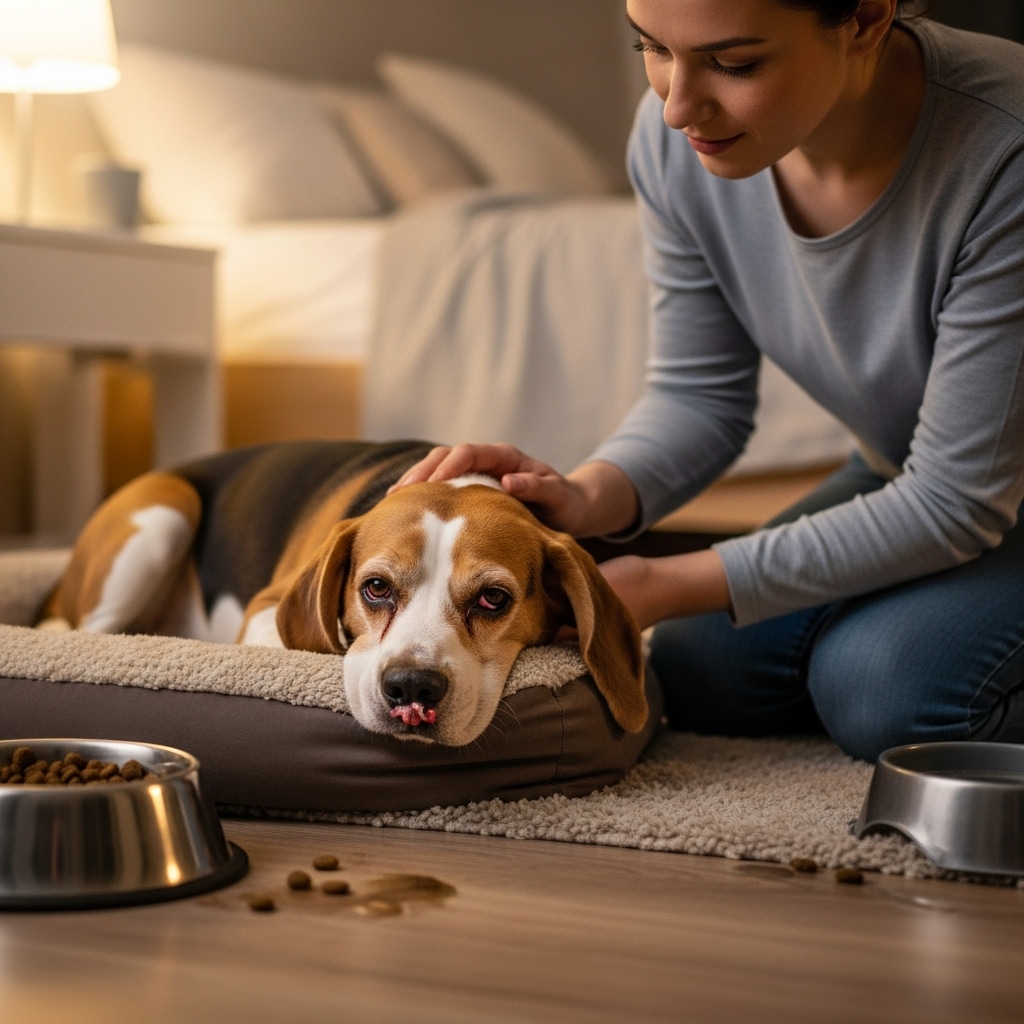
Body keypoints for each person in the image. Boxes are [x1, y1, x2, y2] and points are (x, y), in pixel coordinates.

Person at [390, 0, 1024, 761]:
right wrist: (584, 495)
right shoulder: (680, 150)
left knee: (886, 689)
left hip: (970, 492)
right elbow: (701, 397)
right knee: (696, 669)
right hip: (906, 471)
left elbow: (956, 501)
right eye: (651, 47)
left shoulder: (1004, 151)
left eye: (734, 63)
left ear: (864, 17)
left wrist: (666, 583)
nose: (676, 107)